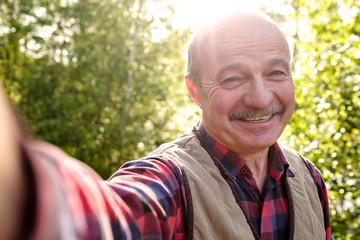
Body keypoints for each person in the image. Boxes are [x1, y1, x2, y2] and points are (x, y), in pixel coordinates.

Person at [0, 11, 332, 240]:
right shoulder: (170, 184)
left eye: (276, 73)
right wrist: (23, 190)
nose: (261, 98)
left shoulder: (310, 178)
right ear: (194, 91)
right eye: (233, 78)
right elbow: (109, 219)